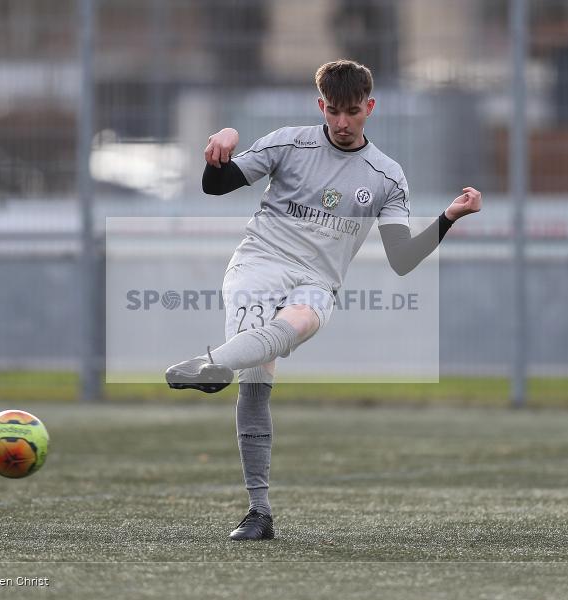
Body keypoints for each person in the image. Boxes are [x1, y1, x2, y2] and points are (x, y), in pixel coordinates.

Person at [165, 59, 482, 541]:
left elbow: (402, 258)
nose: (342, 122)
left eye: (352, 111)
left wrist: (448, 217)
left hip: (318, 280)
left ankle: (211, 365)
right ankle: (259, 513)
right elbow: (217, 185)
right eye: (333, 111)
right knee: (256, 378)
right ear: (321, 106)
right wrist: (221, 145)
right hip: (259, 264)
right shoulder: (289, 143)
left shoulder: (387, 176)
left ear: (370, 107)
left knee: (298, 324)